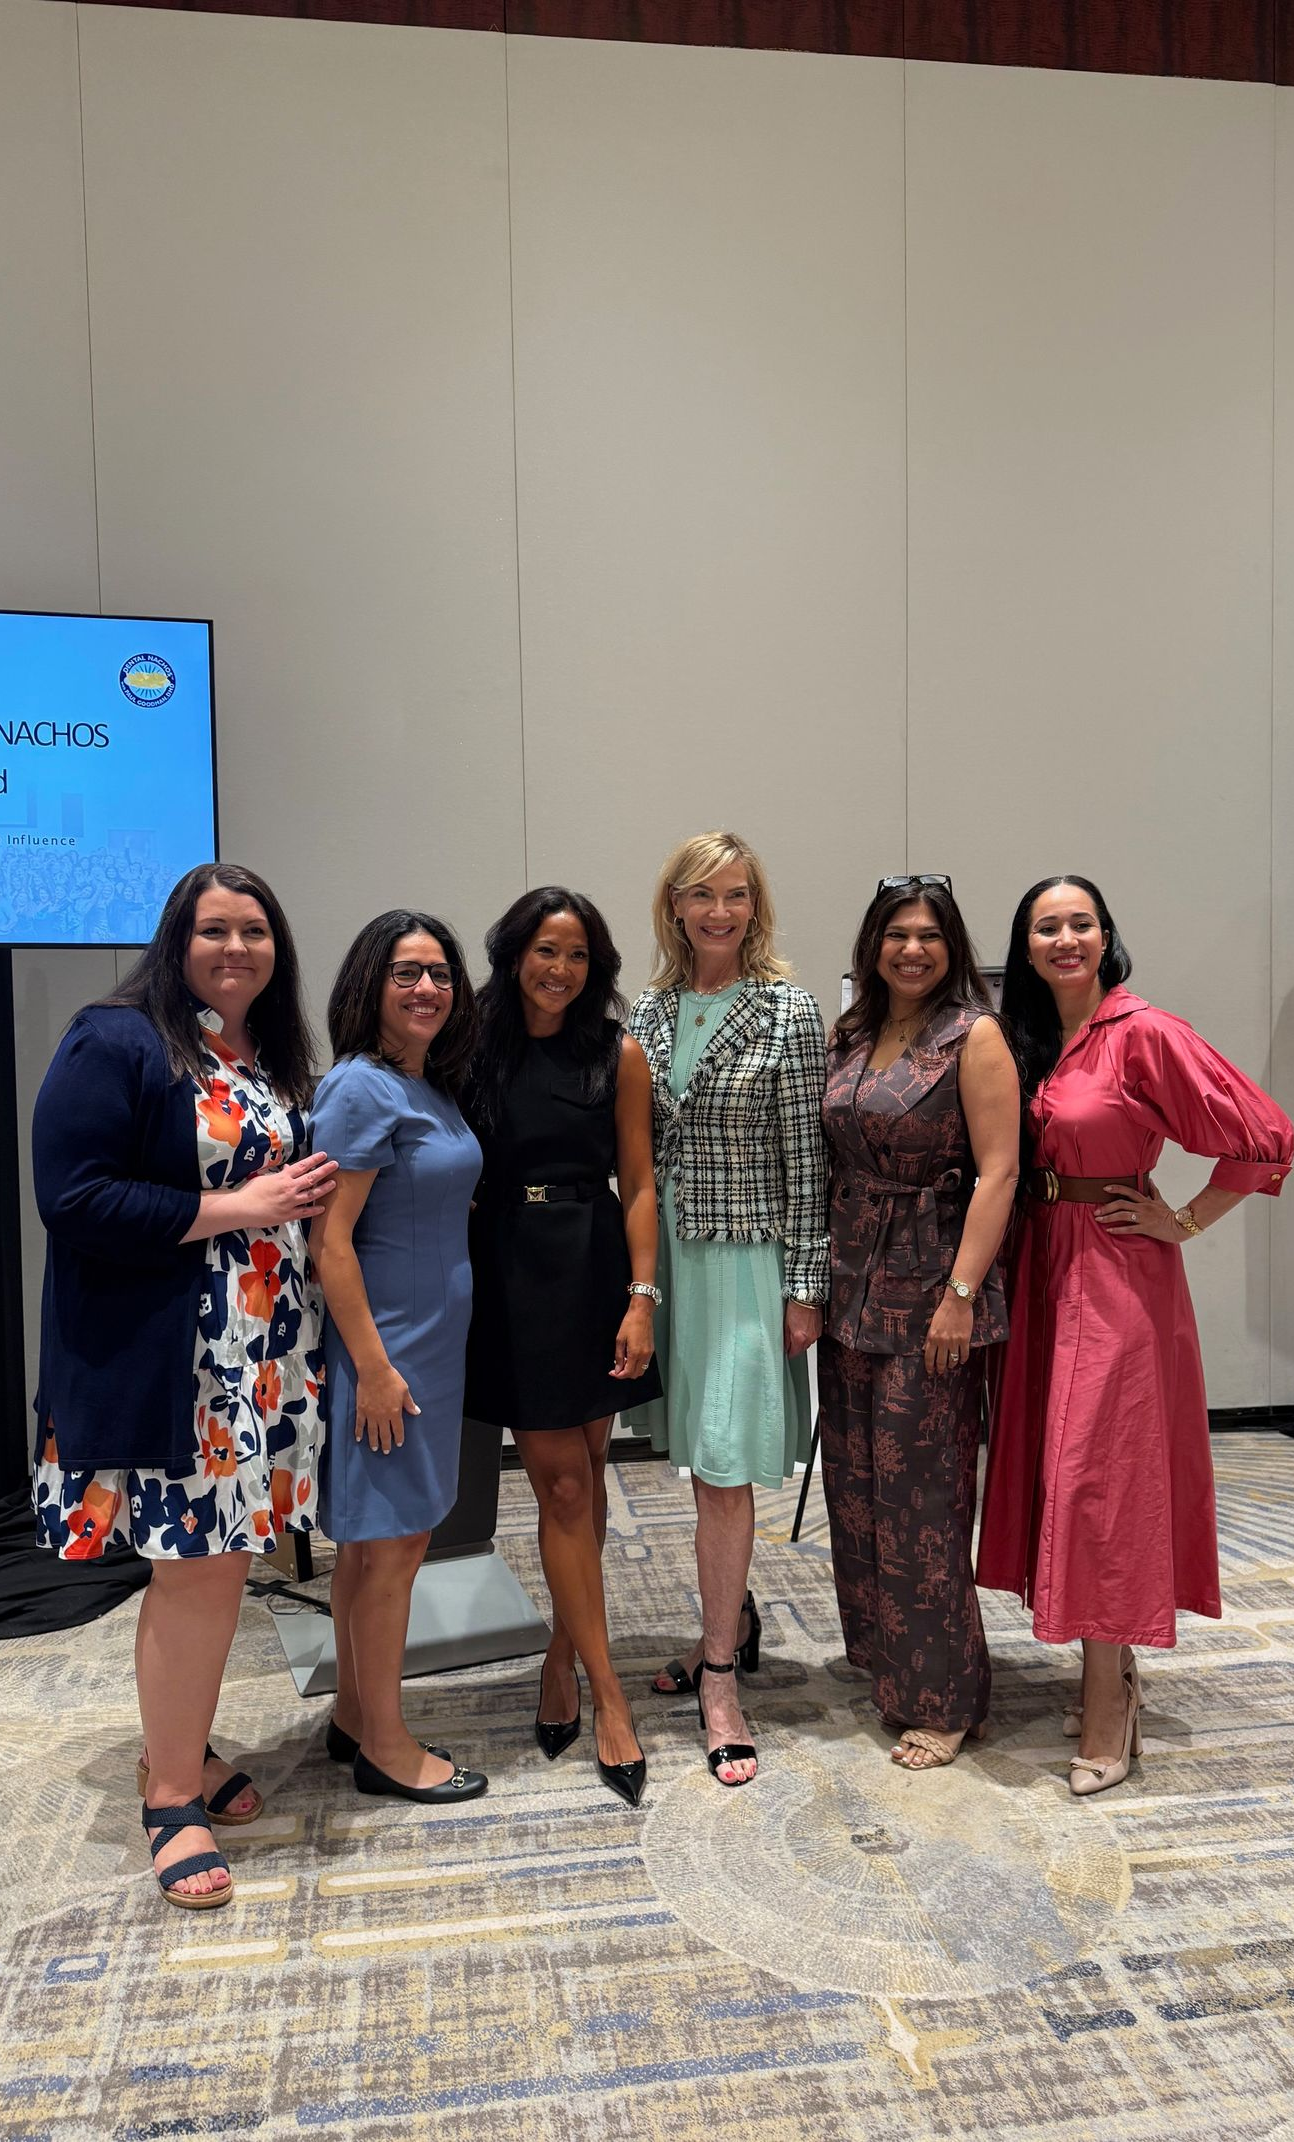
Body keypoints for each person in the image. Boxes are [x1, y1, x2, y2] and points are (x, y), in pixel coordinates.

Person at [32, 863, 334, 1909]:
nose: (238, 947)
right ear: (177, 939)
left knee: (216, 1566)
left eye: (256, 929)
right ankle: (170, 1799)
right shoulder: (115, 1037)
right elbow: (71, 1197)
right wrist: (237, 1205)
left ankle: (185, 1751)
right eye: (215, 929)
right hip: (181, 1357)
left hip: (262, 1352)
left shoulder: (262, 1054)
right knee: (197, 1571)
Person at [976, 876, 1293, 1797]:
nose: (1064, 938)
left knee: (1099, 1481)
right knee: (1057, 1471)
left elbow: (1265, 1136)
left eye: (1080, 923)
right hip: (1042, 1267)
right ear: (1026, 945)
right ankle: (1112, 1668)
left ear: (1106, 935)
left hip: (1115, 1276)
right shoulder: (1033, 1038)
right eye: (1046, 927)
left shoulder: (1144, 1029)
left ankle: (1110, 1702)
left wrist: (1187, 1220)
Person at [627, 831, 828, 1787]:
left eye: (737, 895)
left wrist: (806, 1285)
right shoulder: (651, 1009)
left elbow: (809, 1158)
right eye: (702, 895)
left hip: (748, 1263)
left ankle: (718, 1677)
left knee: (724, 1470)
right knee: (694, 1461)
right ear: (674, 905)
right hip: (667, 1261)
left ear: (757, 906)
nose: (720, 912)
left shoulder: (789, 1010)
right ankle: (733, 1622)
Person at [463, 888, 660, 1808]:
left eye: (578, 955)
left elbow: (641, 1181)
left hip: (592, 1265)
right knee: (568, 1486)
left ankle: (558, 1653)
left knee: (582, 1467)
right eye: (546, 950)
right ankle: (609, 1697)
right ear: (513, 956)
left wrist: (642, 1298)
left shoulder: (617, 1055)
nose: (561, 970)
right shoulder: (470, 1051)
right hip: (506, 1271)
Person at [817, 876, 1019, 1769]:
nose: (912, 950)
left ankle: (944, 1699)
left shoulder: (973, 1036)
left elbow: (1000, 1172)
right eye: (897, 935)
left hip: (933, 1289)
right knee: (857, 1489)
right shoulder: (854, 1033)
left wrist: (961, 1296)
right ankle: (889, 1666)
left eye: (930, 937)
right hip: (852, 1287)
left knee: (925, 1500)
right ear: (873, 943)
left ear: (953, 947)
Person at [308, 912, 488, 1806]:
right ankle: (385, 1743)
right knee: (396, 1547)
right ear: (369, 985)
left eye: (442, 973)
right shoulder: (363, 1089)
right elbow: (330, 1243)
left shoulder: (425, 1085)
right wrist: (375, 1369)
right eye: (407, 973)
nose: (428, 989)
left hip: (428, 1346)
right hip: (391, 1353)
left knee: (375, 1545)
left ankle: (353, 1713)